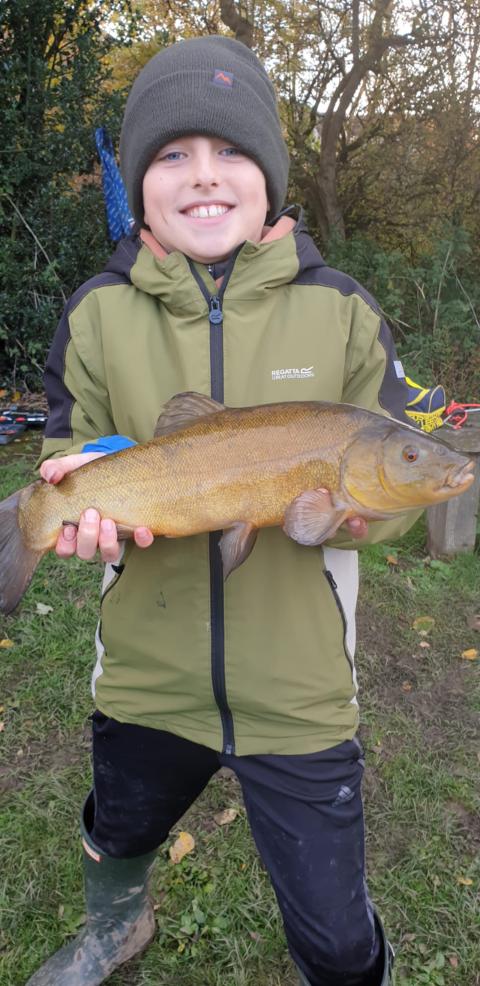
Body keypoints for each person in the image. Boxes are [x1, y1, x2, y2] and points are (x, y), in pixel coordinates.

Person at [28, 35, 417, 986]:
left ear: (271, 177)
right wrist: (66, 491)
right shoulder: (96, 314)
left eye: (232, 150)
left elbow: (399, 475)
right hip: (146, 679)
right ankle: (115, 925)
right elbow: (67, 451)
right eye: (172, 154)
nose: (205, 174)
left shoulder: (343, 312)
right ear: (138, 182)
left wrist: (369, 514)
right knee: (122, 823)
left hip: (299, 691)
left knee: (337, 940)